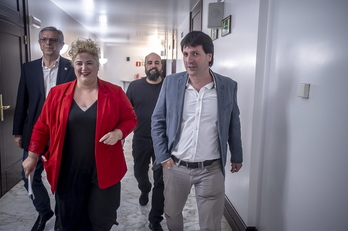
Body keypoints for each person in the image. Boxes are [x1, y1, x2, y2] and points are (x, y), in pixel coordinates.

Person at [22, 38, 137, 231]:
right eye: (79, 63)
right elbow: (42, 126)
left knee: (101, 219)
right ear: (73, 65)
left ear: (97, 65)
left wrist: (119, 132)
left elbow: (131, 119)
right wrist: (32, 156)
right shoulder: (57, 94)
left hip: (103, 168)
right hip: (68, 169)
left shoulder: (115, 93)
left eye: (89, 62)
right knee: (70, 219)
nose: (84, 67)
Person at [151, 31, 243, 231]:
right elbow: (157, 120)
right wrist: (162, 155)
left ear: (209, 56)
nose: (188, 60)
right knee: (172, 213)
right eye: (185, 54)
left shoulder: (227, 86)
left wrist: (237, 155)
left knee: (211, 224)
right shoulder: (171, 83)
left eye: (195, 54)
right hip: (176, 166)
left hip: (211, 169)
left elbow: (233, 123)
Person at [12, 26, 76, 231]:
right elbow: (22, 100)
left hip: (63, 133)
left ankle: (61, 217)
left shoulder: (71, 68)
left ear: (61, 45)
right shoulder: (28, 68)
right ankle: (43, 211)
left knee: (62, 177)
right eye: (44, 39)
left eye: (53, 40)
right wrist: (18, 131)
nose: (49, 43)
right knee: (28, 175)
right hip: (34, 131)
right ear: (39, 43)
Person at [126, 52, 164, 231]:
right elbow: (125, 112)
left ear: (161, 65)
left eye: (156, 62)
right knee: (139, 172)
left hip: (162, 141)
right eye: (150, 63)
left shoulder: (168, 86)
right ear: (145, 66)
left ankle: (155, 219)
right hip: (140, 138)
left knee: (161, 179)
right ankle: (144, 188)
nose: (153, 66)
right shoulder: (134, 86)